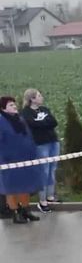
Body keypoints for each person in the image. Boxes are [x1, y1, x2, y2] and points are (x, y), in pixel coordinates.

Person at [0, 96, 42, 224]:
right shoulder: (1, 121)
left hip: (25, 159)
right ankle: (15, 213)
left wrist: (33, 153)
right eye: (10, 105)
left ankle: (26, 210)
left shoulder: (20, 119)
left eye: (14, 104)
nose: (14, 106)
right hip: (8, 161)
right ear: (3, 108)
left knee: (25, 186)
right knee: (10, 188)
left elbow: (28, 137)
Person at [21, 90, 58, 209]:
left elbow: (53, 122)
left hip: (53, 142)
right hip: (40, 144)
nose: (41, 97)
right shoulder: (25, 112)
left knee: (52, 169)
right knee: (44, 171)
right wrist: (44, 123)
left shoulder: (45, 110)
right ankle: (42, 200)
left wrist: (42, 122)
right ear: (32, 99)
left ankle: (50, 196)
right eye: (39, 96)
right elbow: (32, 125)